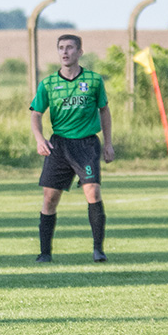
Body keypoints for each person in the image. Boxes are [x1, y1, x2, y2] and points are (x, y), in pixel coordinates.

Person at [30, 34, 115, 263]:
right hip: (59, 145)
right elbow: (36, 114)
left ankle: (98, 250)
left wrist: (108, 143)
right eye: (61, 48)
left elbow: (104, 111)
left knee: (93, 191)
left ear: (80, 52)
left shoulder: (94, 81)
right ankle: (45, 253)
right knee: (49, 199)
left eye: (69, 48)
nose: (65, 52)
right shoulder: (48, 83)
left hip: (86, 144)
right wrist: (39, 139)